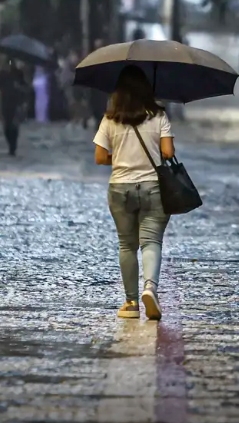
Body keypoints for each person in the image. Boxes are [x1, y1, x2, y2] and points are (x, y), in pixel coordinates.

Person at [93, 65, 175, 320]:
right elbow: (168, 153)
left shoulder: (110, 118)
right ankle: (150, 288)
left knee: (127, 245)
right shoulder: (159, 115)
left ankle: (130, 303)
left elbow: (99, 157)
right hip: (153, 186)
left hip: (120, 187)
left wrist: (120, 157)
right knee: (151, 241)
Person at [0, 60, 28, 156]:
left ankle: (13, 146)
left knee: (14, 125)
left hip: (16, 102)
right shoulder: (2, 73)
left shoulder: (18, 73)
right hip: (6, 102)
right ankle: (10, 143)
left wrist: (18, 87)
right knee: (6, 126)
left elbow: (25, 86)